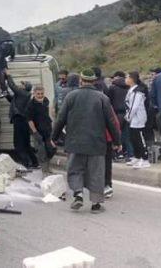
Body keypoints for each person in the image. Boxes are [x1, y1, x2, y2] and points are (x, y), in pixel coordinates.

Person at [51, 69, 121, 214]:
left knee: (75, 169)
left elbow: (60, 119)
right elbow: (111, 122)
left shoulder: (71, 96)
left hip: (75, 142)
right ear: (94, 81)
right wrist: (117, 141)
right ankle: (95, 204)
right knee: (96, 172)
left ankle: (78, 194)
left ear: (81, 81)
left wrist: (54, 137)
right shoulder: (102, 98)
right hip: (96, 143)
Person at [6, 71, 37, 168]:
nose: (20, 86)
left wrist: (8, 75)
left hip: (19, 121)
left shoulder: (22, 93)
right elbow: (13, 100)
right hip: (23, 121)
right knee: (26, 143)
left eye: (22, 85)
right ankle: (35, 163)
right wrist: (6, 95)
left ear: (25, 87)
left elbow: (12, 85)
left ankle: (26, 163)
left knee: (18, 144)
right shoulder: (24, 95)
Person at [26, 85, 55, 175]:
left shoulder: (46, 100)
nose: (40, 95)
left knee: (50, 150)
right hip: (37, 131)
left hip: (47, 130)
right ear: (34, 93)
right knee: (41, 151)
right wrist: (35, 132)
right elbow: (29, 120)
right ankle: (44, 171)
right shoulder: (30, 105)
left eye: (42, 93)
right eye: (38, 94)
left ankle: (48, 167)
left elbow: (48, 113)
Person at [125, 72, 150, 169]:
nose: (125, 79)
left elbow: (134, 106)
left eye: (127, 77)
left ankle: (145, 158)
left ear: (132, 79)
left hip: (138, 117)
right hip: (133, 118)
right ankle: (137, 156)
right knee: (133, 138)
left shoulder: (138, 91)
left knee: (139, 138)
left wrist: (128, 117)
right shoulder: (131, 90)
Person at [107, 71, 131, 161]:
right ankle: (129, 154)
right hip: (128, 113)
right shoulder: (129, 87)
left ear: (117, 77)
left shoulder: (112, 88)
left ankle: (117, 153)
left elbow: (108, 101)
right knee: (127, 135)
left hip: (116, 114)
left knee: (116, 133)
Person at [104, 108, 121, 199]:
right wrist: (117, 140)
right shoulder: (105, 103)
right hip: (107, 138)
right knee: (107, 164)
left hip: (95, 139)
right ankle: (107, 185)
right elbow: (114, 122)